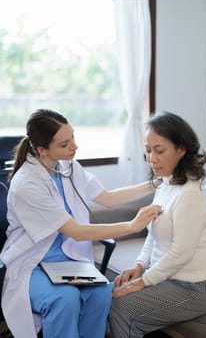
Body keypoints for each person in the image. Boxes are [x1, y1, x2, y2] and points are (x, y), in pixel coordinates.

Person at [0, 109, 163, 338]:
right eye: (65, 144)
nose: (74, 147)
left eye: (73, 137)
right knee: (65, 299)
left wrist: (155, 184)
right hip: (33, 263)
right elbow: (74, 231)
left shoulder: (68, 167)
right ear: (41, 150)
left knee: (101, 292)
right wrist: (132, 226)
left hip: (69, 261)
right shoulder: (27, 184)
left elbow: (108, 198)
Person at [109, 111, 206, 338]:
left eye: (159, 150)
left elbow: (181, 253)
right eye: (148, 150)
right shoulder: (165, 185)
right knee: (112, 294)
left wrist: (145, 281)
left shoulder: (189, 195)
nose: (152, 158)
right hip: (171, 278)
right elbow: (152, 235)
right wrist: (139, 265)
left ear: (181, 149)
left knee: (122, 307)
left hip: (201, 286)